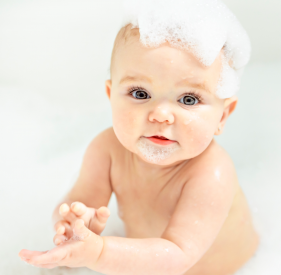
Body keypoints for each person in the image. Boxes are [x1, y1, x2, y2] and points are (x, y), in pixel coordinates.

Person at [19, 1, 259, 274]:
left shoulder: (211, 174)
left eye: (189, 99)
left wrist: (100, 253)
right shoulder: (106, 149)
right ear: (111, 96)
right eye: (140, 94)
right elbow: (80, 202)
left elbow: (177, 256)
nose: (160, 115)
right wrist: (73, 224)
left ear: (223, 116)